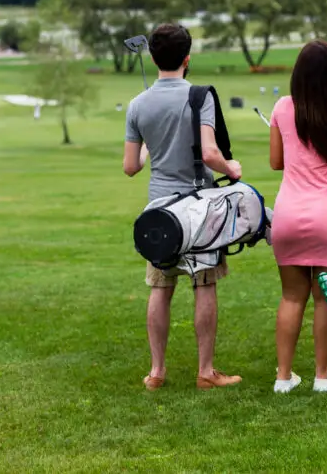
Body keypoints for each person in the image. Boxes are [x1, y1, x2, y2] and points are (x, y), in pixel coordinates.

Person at [123, 23, 244, 391]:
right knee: (203, 286)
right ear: (187, 59)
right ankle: (206, 371)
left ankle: (156, 372)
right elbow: (209, 152)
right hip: (198, 207)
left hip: (158, 210)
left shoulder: (137, 104)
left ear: (154, 57)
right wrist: (231, 168)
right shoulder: (199, 96)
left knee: (160, 289)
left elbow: (131, 166)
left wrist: (148, 145)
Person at [268, 40, 327, 393]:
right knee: (324, 298)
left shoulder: (281, 107)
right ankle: (322, 375)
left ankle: (284, 377)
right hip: (325, 215)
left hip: (287, 215)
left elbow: (276, 162)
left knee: (292, 297)